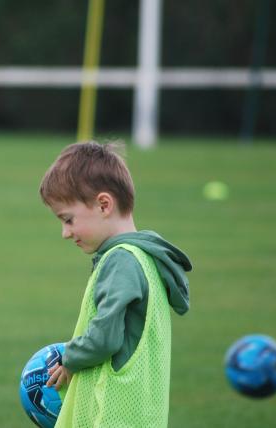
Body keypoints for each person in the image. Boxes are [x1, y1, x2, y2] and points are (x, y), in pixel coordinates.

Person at [40, 142, 191, 427]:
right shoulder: (146, 257)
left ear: (104, 204)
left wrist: (70, 357)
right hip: (143, 413)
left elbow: (105, 337)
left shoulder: (120, 260)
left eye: (68, 219)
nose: (65, 232)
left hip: (112, 414)